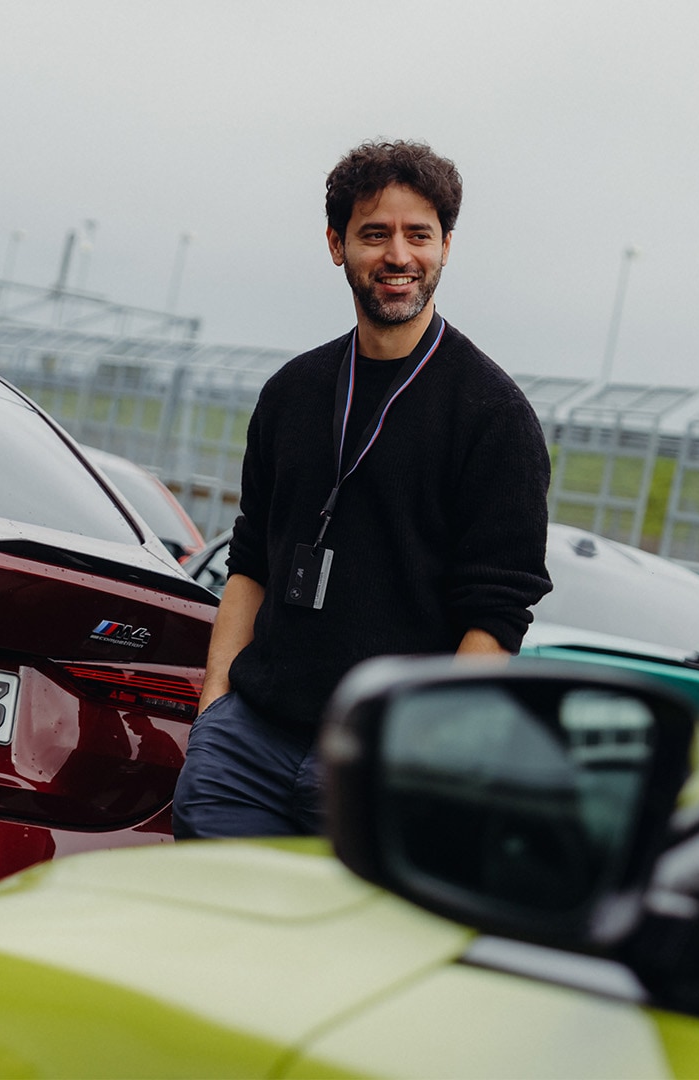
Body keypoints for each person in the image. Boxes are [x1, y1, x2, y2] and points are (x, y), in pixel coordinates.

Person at [172, 140, 553, 839]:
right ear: (336, 245)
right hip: (248, 746)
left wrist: (425, 754)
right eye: (375, 234)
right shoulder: (293, 393)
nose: (398, 256)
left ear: (445, 248)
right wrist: (216, 704)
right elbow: (250, 560)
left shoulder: (493, 416)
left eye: (419, 235)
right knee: (205, 935)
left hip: (383, 755)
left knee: (335, 946)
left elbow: (497, 615)